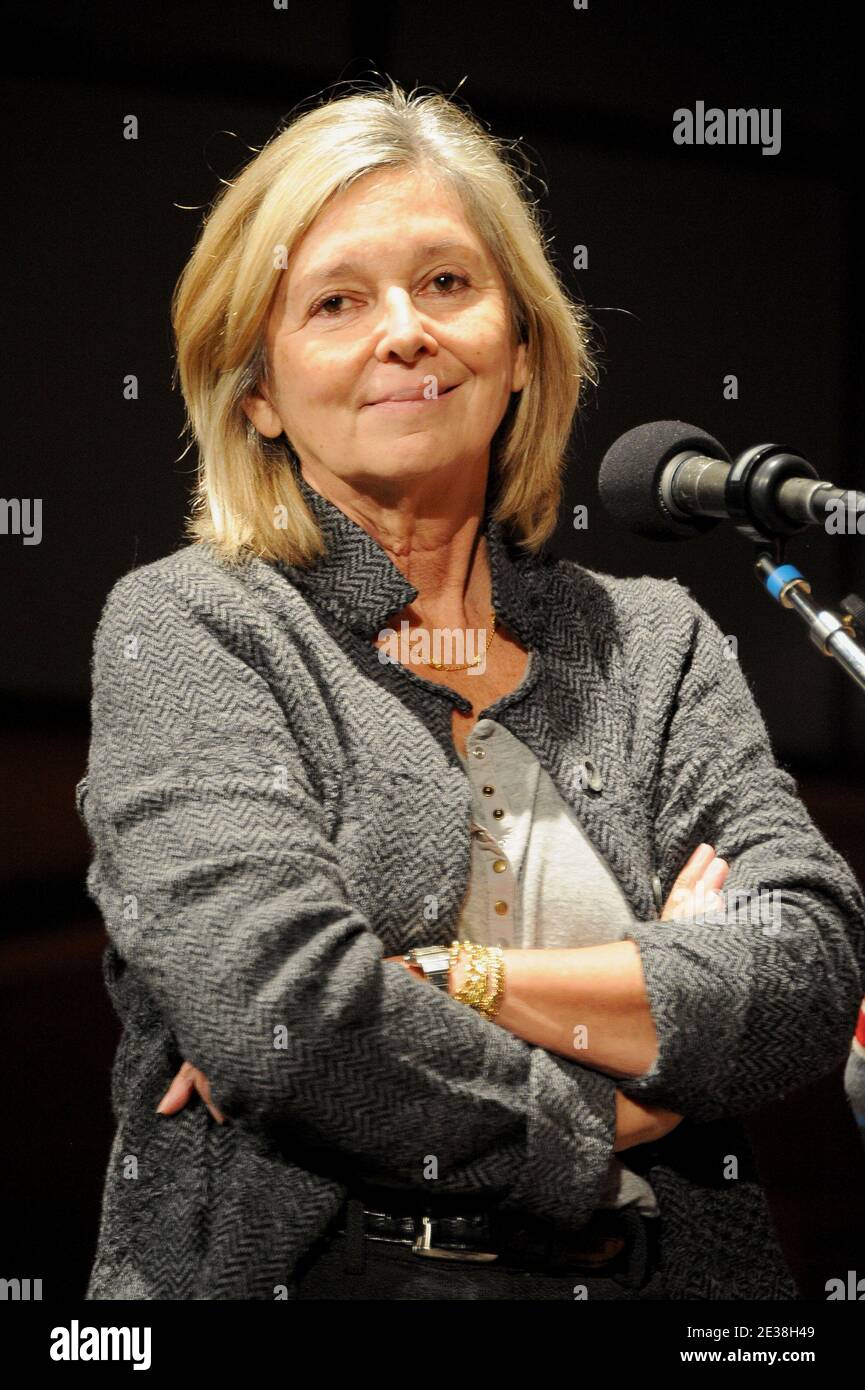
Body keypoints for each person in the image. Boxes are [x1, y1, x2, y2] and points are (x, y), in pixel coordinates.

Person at [76, 80, 865, 1301]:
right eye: (337, 300)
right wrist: (610, 1112)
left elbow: (806, 962)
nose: (406, 331)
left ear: (520, 347)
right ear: (260, 394)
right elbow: (291, 1016)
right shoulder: (196, 625)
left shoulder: (649, 642)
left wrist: (452, 978)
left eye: (447, 284)